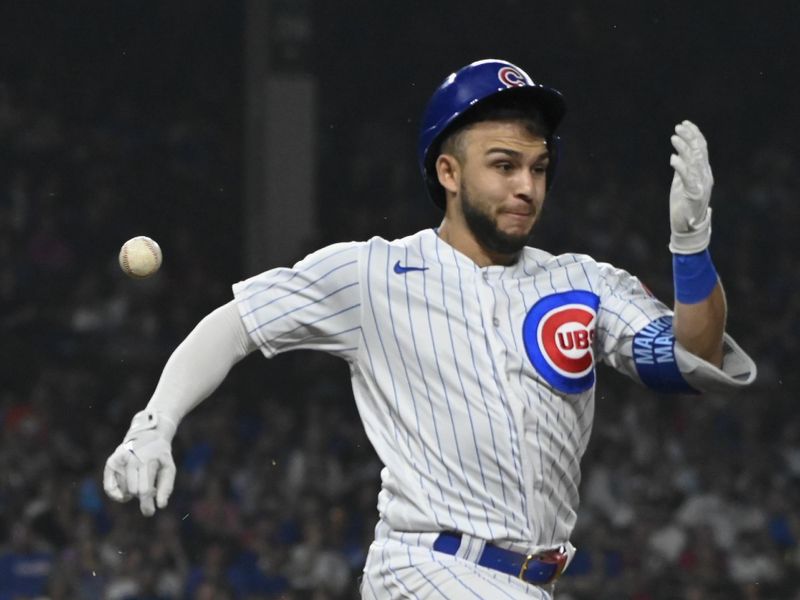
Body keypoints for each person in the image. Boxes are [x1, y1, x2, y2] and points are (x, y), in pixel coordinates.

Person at [103, 59, 757, 599]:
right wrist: (154, 425)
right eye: (503, 165)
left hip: (530, 582)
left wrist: (690, 241)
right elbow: (235, 324)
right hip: (426, 570)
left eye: (537, 166)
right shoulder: (374, 272)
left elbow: (691, 360)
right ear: (448, 173)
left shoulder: (585, 282)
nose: (526, 185)